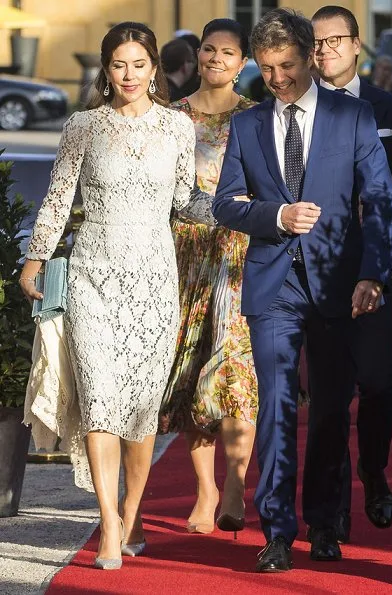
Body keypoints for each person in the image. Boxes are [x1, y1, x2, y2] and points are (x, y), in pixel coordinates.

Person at [20, 21, 212, 570]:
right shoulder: (83, 126)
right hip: (92, 280)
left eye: (139, 64)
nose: (129, 75)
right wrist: (35, 259)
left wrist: (234, 205)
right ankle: (109, 526)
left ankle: (133, 510)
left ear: (155, 69)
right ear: (106, 69)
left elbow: (185, 202)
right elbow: (58, 201)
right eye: (119, 64)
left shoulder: (177, 128)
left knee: (140, 412)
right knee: (101, 404)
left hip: (154, 281)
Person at [212, 8, 392, 571]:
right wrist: (277, 215)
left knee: (331, 410)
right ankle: (276, 530)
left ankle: (323, 522)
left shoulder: (354, 116)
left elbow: (381, 201)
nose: (278, 79)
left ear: (308, 57)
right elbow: (225, 204)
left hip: (338, 285)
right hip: (273, 286)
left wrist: (373, 274)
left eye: (286, 65)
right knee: (276, 407)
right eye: (266, 69)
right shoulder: (246, 124)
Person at [312, 5, 392, 545]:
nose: (325, 51)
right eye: (315, 43)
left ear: (357, 44)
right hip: (314, 272)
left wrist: (379, 209)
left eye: (335, 40)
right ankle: (333, 507)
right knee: (328, 395)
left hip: (377, 266)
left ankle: (374, 471)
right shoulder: (296, 109)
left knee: (378, 386)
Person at [159, 18, 257, 538]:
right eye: (208, 50)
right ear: (198, 56)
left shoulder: (259, 118)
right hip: (182, 257)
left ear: (244, 63)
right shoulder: (169, 118)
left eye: (228, 52)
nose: (216, 59)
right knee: (193, 370)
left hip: (241, 259)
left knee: (236, 369)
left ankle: (238, 486)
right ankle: (205, 489)